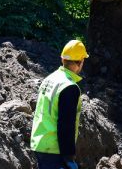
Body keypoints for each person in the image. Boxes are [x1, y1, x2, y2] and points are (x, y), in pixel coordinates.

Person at [31, 40, 89, 169]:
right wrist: (68, 156)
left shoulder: (49, 79)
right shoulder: (69, 86)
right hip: (55, 149)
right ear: (80, 62)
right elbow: (65, 123)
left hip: (40, 144)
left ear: (62, 59)